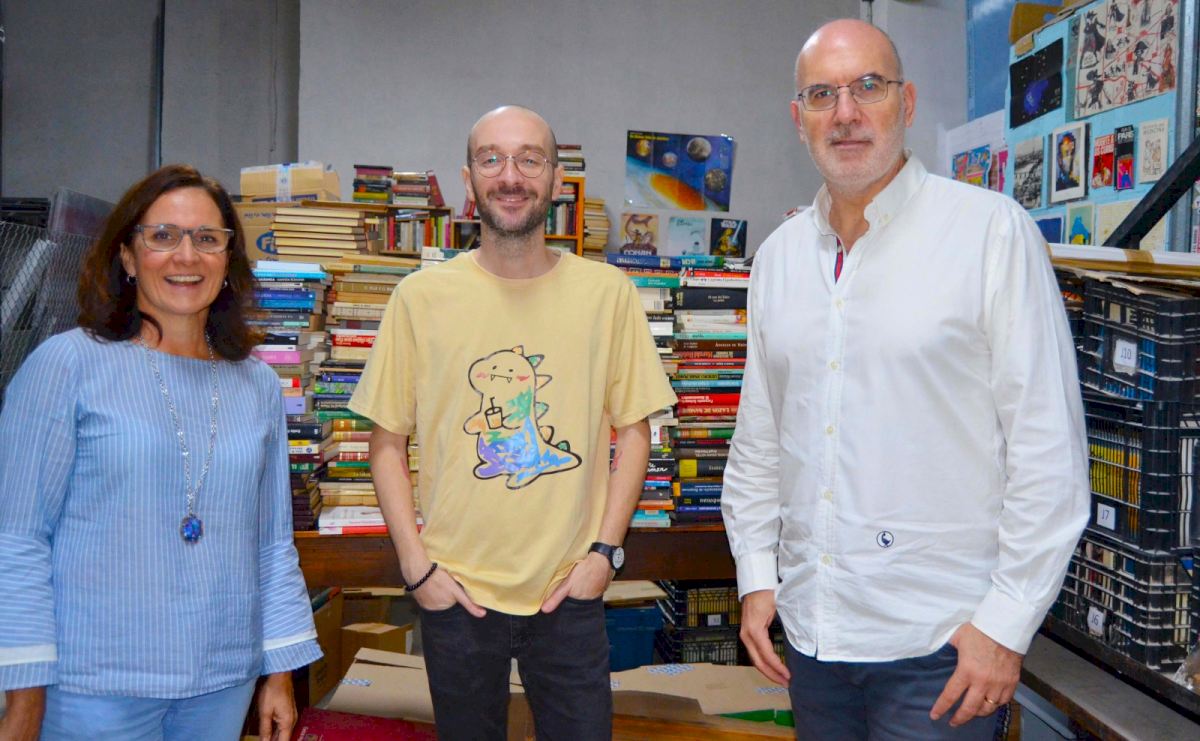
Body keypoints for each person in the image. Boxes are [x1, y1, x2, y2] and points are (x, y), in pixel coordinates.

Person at [721, 19, 1089, 740]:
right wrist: (757, 575)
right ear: (799, 119)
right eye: (822, 95)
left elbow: (1048, 452)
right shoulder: (779, 259)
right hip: (813, 637)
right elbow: (760, 440)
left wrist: (1006, 626)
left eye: (868, 87)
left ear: (907, 102)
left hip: (941, 647)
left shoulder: (990, 234)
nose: (845, 112)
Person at [348, 105, 675, 739]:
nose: (510, 175)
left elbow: (634, 432)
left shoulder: (607, 294)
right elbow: (385, 442)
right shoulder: (419, 297)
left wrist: (604, 555)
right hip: (456, 592)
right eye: (491, 159)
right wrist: (417, 569)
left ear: (555, 179)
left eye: (530, 159)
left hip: (569, 592)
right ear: (468, 180)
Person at [0, 165, 321, 741]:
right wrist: (21, 695)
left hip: (222, 682)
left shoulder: (256, 384)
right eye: (163, 236)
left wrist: (279, 672)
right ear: (127, 256)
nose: (186, 256)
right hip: (90, 686)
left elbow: (273, 544)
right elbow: (17, 539)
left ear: (228, 260)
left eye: (207, 238)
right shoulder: (66, 365)